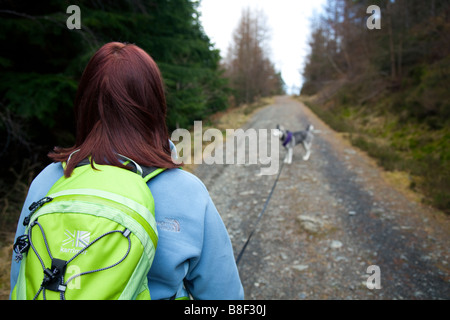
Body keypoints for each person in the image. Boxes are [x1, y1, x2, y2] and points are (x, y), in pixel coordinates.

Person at [10, 42, 244, 300]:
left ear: (83, 105)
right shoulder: (186, 192)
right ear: (155, 107)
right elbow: (223, 295)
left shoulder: (48, 181)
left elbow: (21, 281)